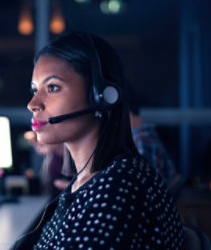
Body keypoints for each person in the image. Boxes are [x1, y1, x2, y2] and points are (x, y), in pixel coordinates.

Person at [14, 32, 184, 249]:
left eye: (53, 87)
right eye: (35, 90)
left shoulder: (121, 185)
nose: (33, 103)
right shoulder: (88, 181)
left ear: (99, 97)